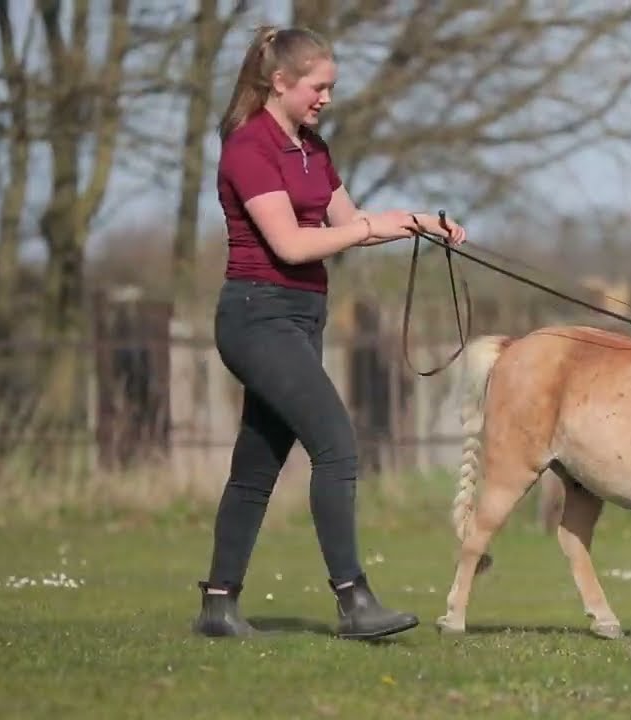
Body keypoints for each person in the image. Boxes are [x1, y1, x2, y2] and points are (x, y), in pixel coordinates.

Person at [192, 25, 466, 641]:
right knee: (337, 447)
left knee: (256, 466)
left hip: (301, 315)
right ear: (280, 81)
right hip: (256, 315)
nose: (326, 99)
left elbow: (349, 220)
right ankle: (354, 601)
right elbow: (291, 244)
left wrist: (422, 222)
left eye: (331, 88)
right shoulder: (247, 148)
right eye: (318, 87)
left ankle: (217, 606)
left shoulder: (311, 146)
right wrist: (368, 231)